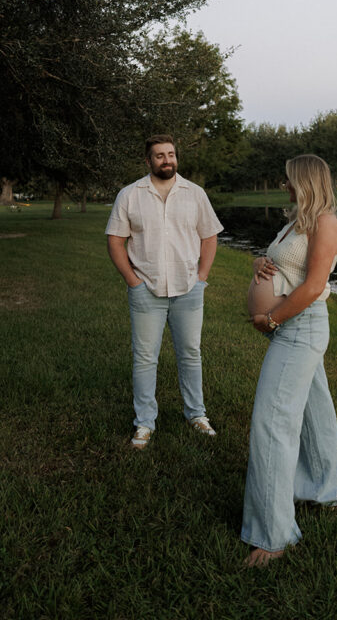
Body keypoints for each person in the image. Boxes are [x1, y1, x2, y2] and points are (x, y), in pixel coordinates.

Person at [242, 154, 337, 566]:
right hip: (292, 327)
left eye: (288, 180)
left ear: (305, 181)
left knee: (273, 423)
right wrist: (259, 264)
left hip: (298, 328)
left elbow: (315, 285)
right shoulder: (296, 222)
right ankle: (322, 489)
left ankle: (273, 535)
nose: (283, 185)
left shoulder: (326, 223)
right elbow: (285, 268)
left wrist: (269, 318)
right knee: (316, 412)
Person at [106, 135, 223, 450]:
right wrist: (133, 281)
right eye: (159, 156)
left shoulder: (195, 194)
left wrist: (202, 277)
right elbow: (116, 241)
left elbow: (209, 236)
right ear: (148, 161)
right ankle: (144, 423)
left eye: (171, 154)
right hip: (146, 290)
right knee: (145, 358)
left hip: (188, 290)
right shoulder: (130, 195)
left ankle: (196, 415)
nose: (166, 160)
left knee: (191, 354)